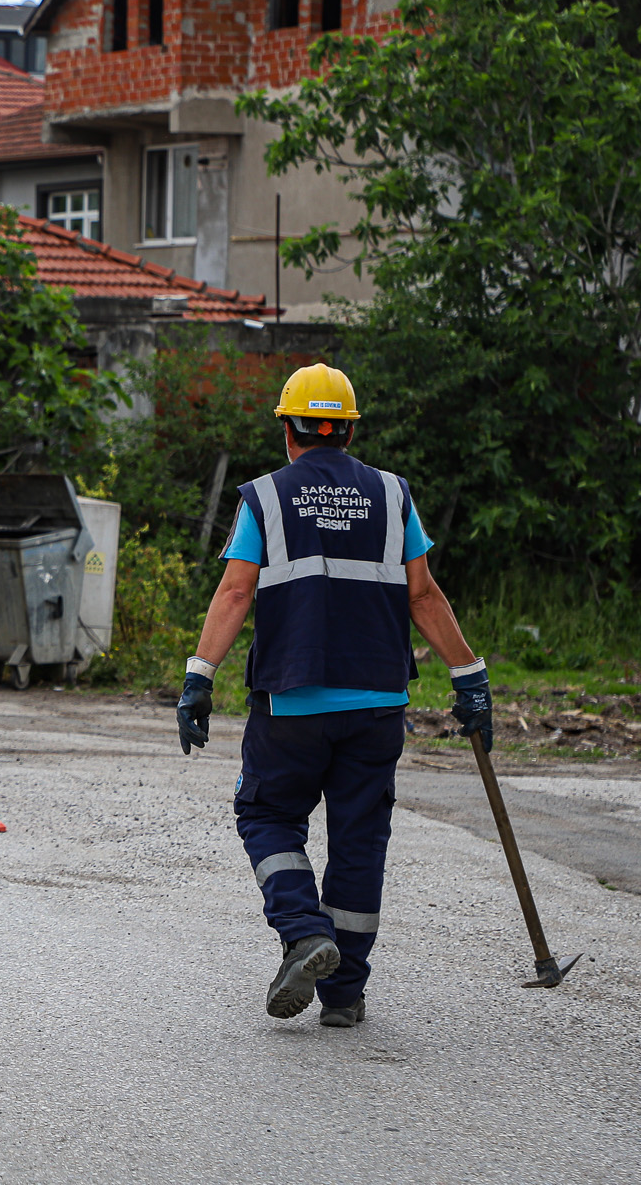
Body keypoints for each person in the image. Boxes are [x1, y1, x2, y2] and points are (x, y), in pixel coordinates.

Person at [175, 364, 493, 1028]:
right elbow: (424, 594)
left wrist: (199, 676)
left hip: (291, 703)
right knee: (358, 840)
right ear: (348, 429)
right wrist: (470, 678)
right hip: (377, 703)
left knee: (266, 816)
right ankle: (344, 992)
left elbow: (236, 592)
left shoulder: (264, 497)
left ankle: (303, 929)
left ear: (288, 431)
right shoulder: (393, 493)